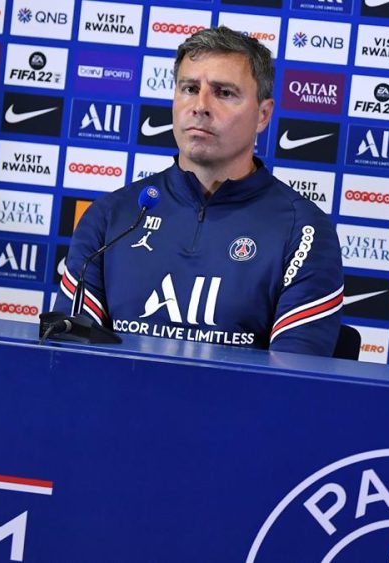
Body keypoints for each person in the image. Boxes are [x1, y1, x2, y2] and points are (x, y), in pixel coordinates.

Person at [54, 26, 343, 356]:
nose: (200, 106)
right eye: (190, 88)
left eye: (224, 93)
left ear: (263, 115)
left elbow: (293, 382)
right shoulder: (109, 217)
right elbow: (68, 357)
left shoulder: (304, 231)